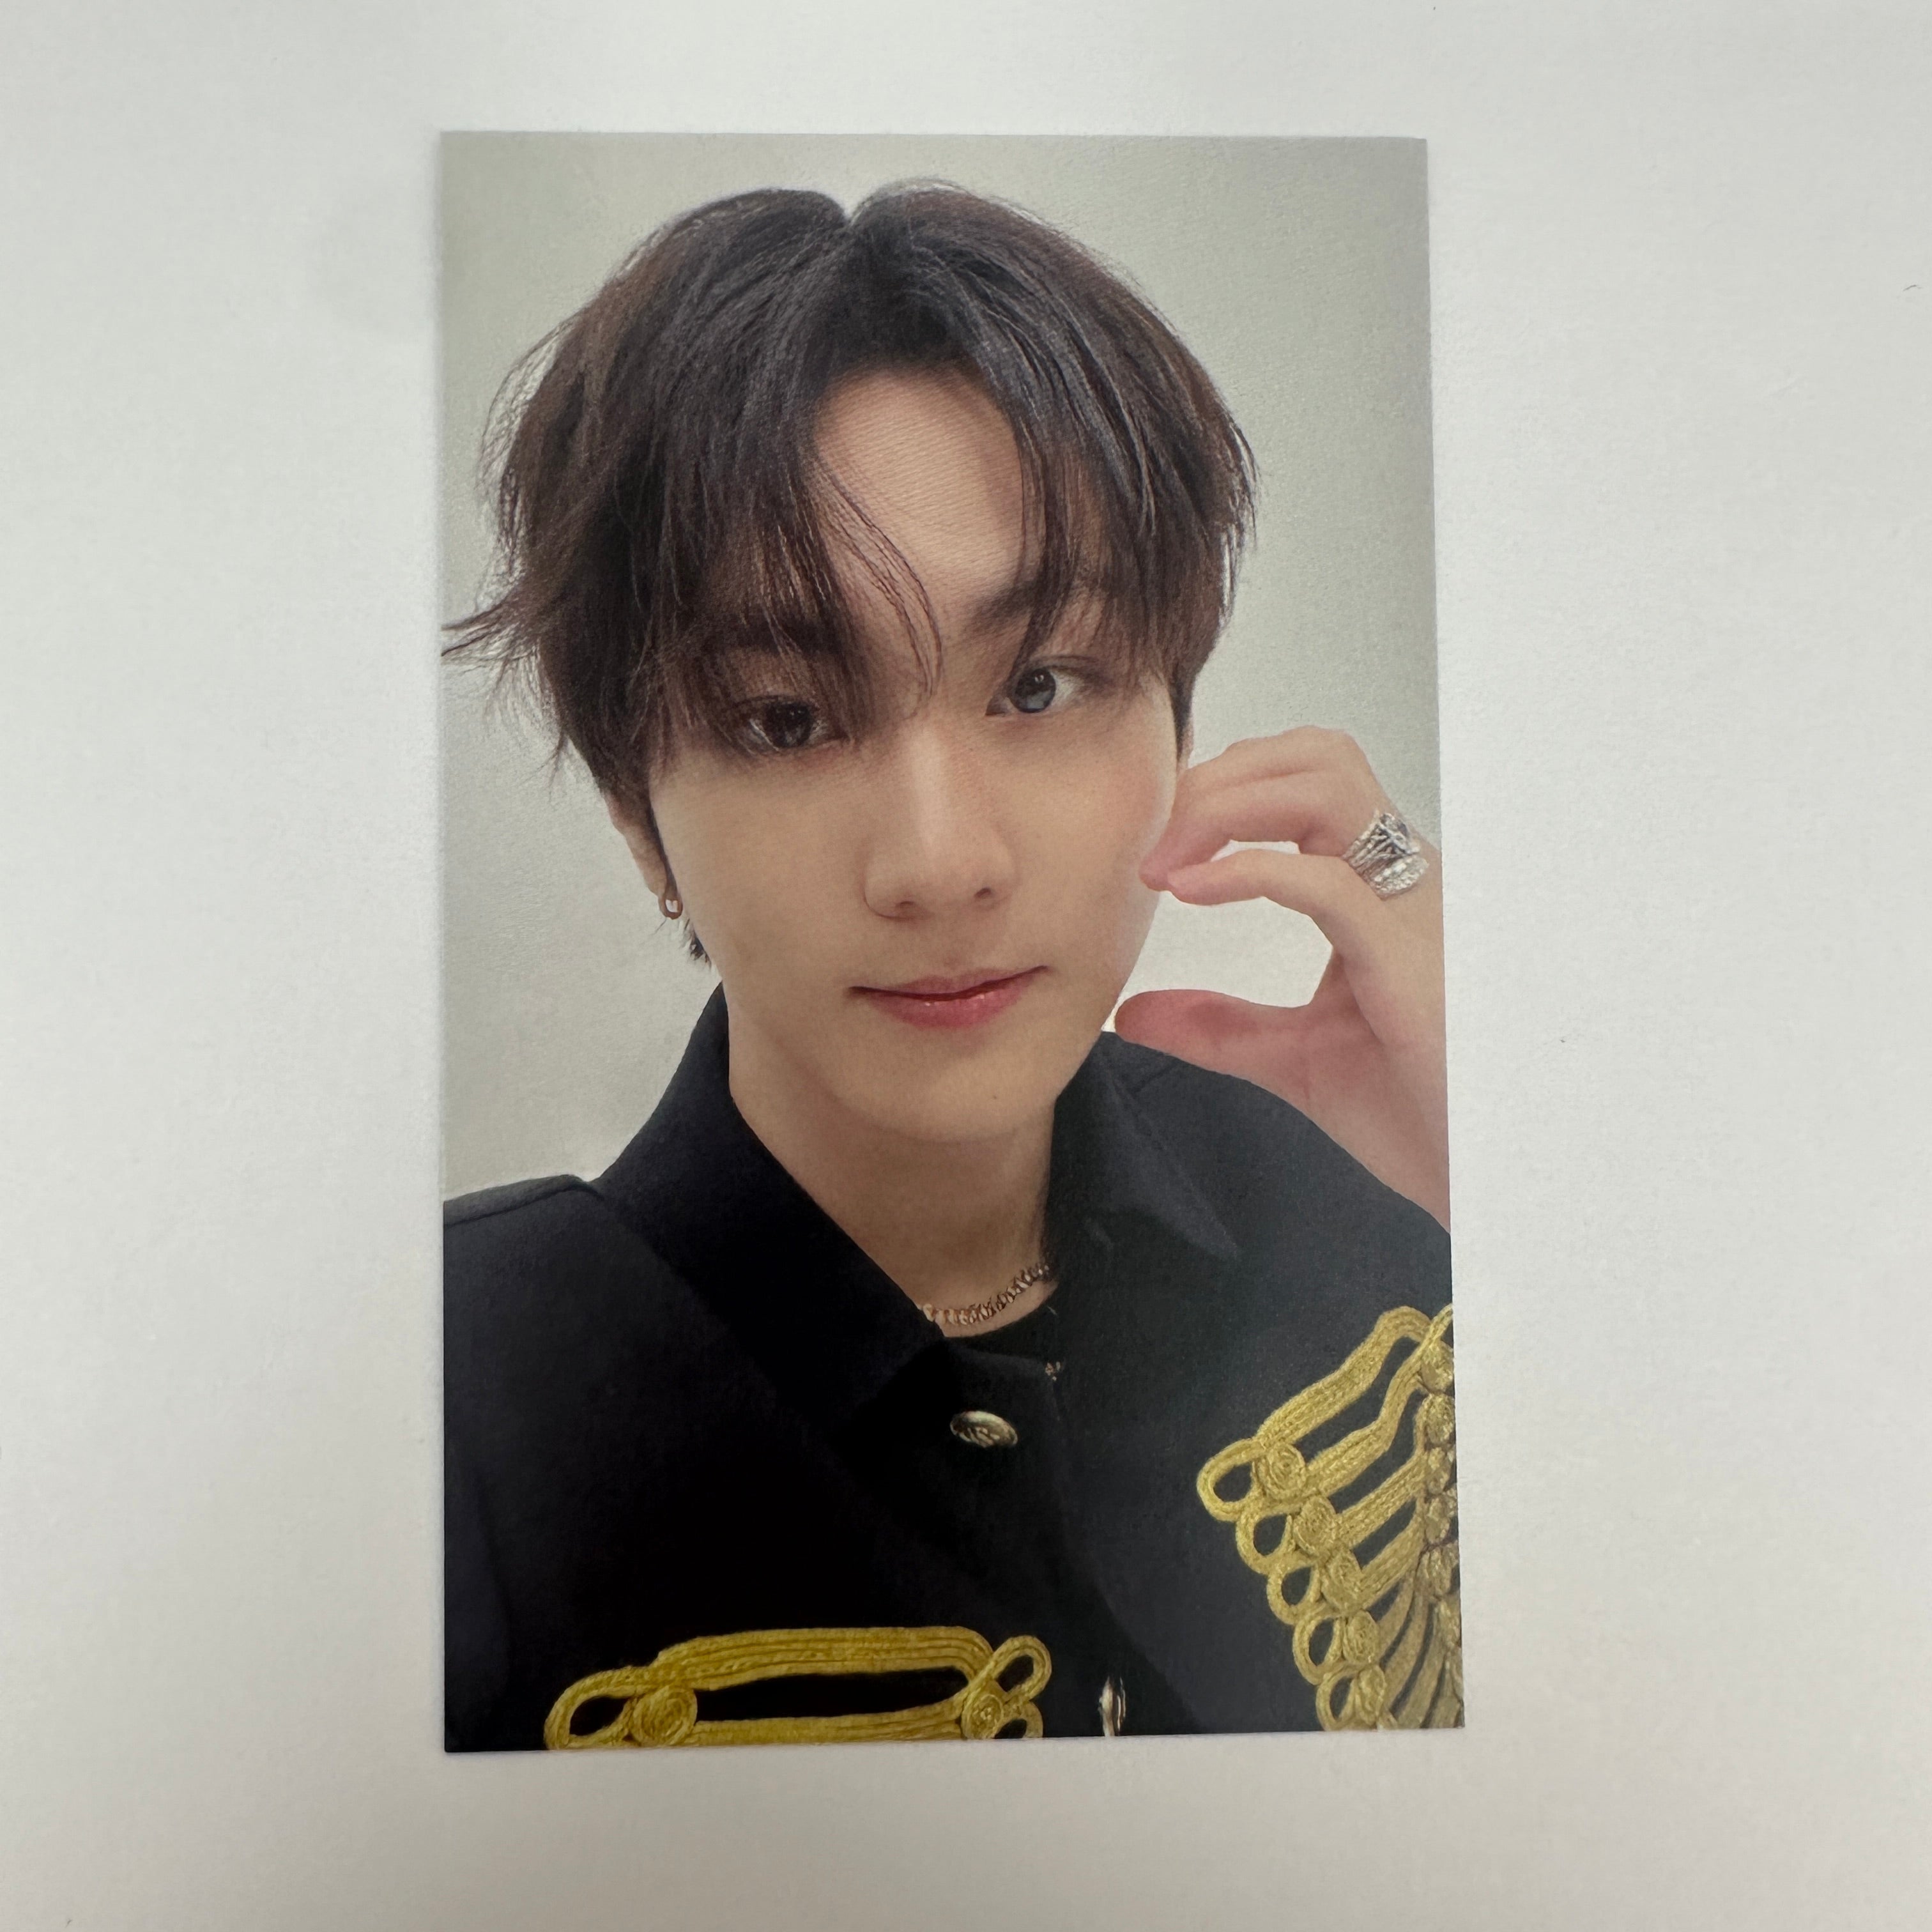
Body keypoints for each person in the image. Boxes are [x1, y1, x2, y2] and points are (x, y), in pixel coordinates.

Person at [443, 182, 1456, 1751]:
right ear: (640, 819)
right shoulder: (449, 1412)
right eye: (786, 718)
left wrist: (1526, 1206)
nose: (940, 863)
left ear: (1176, 719)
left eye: (1041, 684)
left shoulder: (1380, 1168)